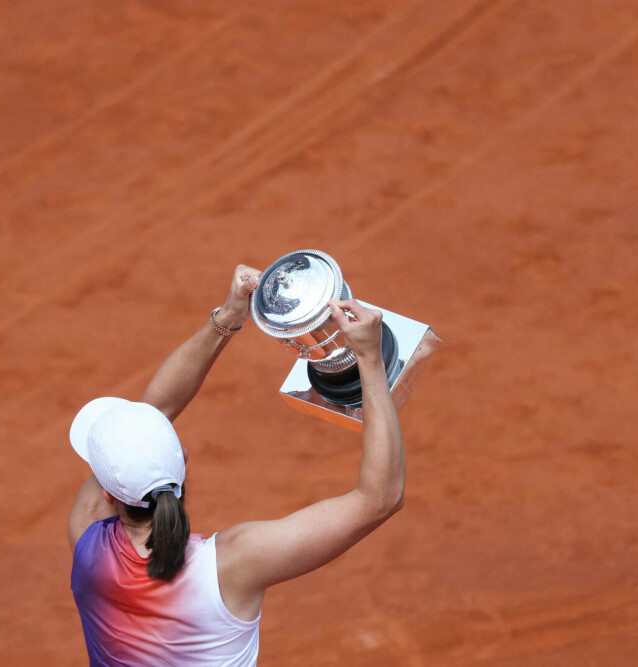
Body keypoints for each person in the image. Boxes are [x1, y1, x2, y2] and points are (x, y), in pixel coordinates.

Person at [68, 264, 405, 666]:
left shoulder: (87, 543)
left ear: (107, 493)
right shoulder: (232, 564)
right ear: (183, 460)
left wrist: (227, 319)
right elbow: (380, 498)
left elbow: (153, 412)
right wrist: (368, 358)